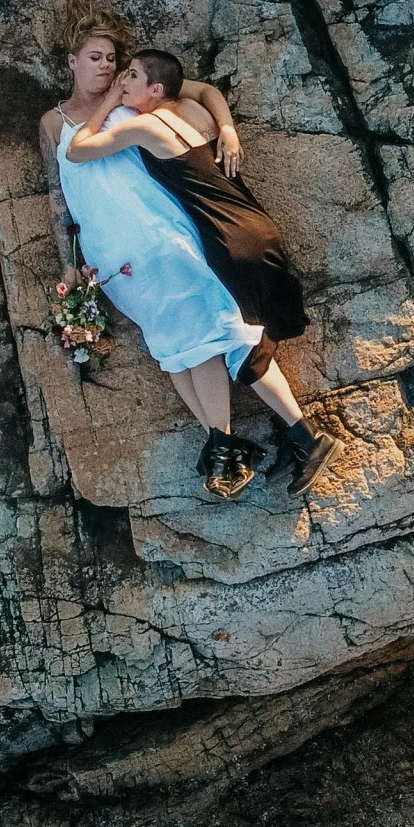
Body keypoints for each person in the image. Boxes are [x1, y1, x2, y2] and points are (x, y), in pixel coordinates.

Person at [65, 49, 336, 494]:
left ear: (155, 90)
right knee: (243, 338)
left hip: (230, 240)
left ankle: (307, 440)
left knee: (243, 343)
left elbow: (77, 150)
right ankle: (291, 439)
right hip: (253, 225)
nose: (120, 81)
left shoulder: (144, 124)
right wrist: (227, 128)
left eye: (130, 76)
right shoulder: (187, 108)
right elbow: (206, 90)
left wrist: (111, 99)